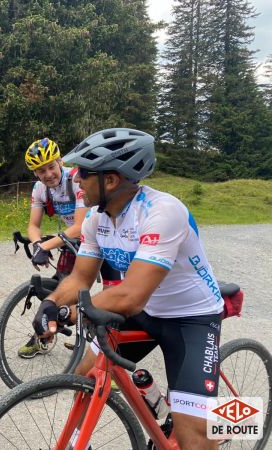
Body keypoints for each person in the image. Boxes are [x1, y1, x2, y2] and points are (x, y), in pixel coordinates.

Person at [33, 128, 224, 450]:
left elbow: (132, 295)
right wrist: (51, 304)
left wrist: (74, 311)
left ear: (110, 181)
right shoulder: (97, 219)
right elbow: (80, 278)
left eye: (84, 172)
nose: (75, 179)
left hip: (191, 318)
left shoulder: (163, 212)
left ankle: (236, 421)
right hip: (146, 313)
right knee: (86, 376)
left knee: (197, 438)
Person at [17, 137, 88, 358]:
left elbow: (80, 226)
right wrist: (38, 245)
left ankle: (105, 359)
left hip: (100, 238)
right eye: (41, 171)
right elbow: (32, 225)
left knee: (111, 296)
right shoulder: (40, 188)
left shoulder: (77, 179)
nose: (48, 174)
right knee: (62, 288)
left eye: (51, 166)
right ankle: (43, 335)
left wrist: (46, 245)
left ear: (59, 161)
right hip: (72, 240)